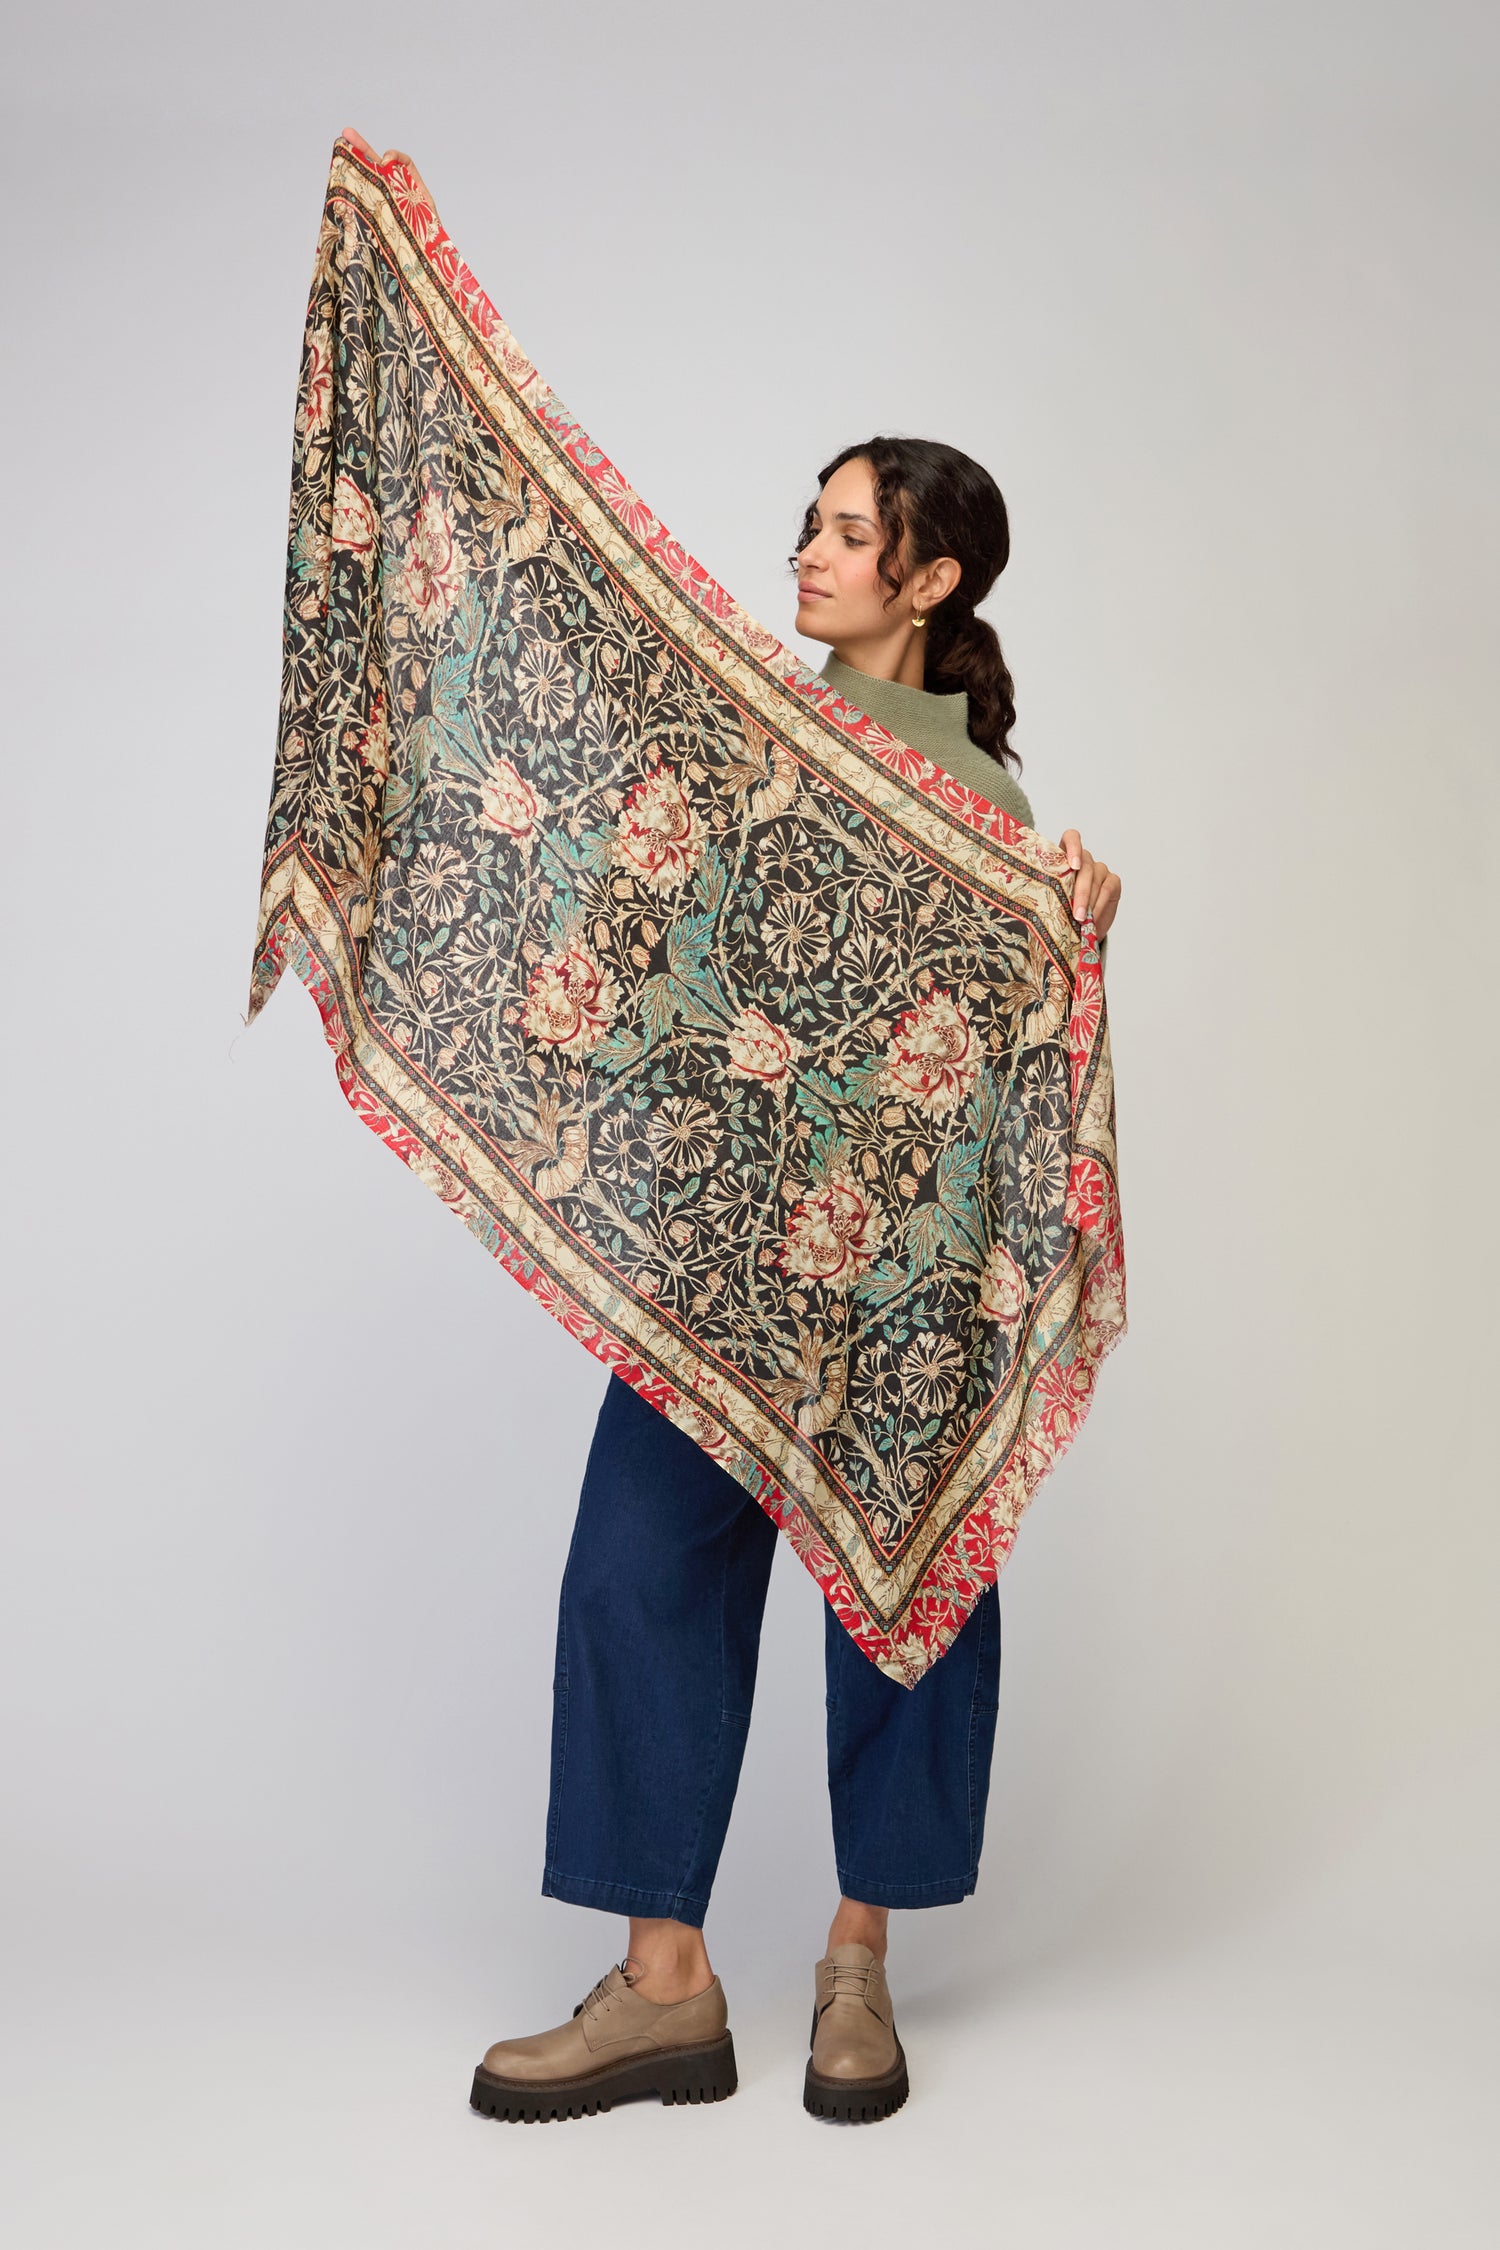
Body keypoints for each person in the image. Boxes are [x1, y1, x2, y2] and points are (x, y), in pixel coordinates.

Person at [469, 437, 1122, 2126]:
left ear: (934, 580)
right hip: (720, 1269)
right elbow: (646, 905)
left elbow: (988, 1052)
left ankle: (857, 1960)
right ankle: (664, 1989)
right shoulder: (748, 711)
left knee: (906, 1602)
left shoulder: (989, 804)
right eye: (814, 528)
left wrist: (1069, 917)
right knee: (632, 1571)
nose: (811, 558)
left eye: (851, 536)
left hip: (899, 1289)